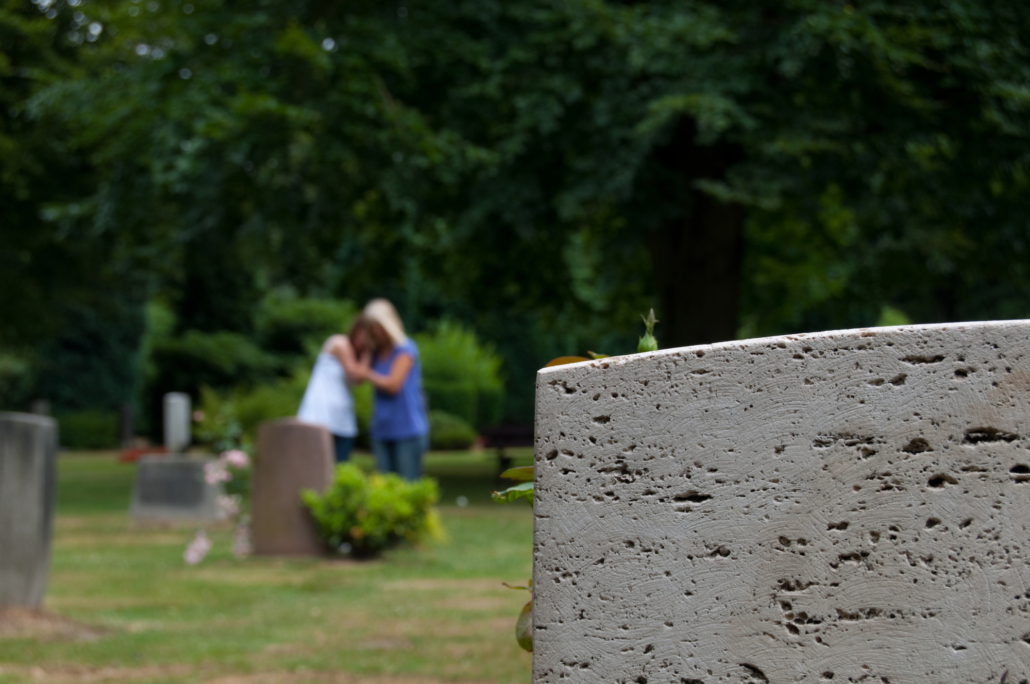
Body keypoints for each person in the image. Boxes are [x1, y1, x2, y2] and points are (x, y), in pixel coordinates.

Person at [360, 298, 429, 481]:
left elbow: (393, 385)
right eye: (371, 326)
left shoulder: (405, 349)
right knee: (384, 487)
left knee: (407, 486)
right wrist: (367, 349)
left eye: (379, 325)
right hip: (381, 428)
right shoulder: (375, 352)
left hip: (407, 429)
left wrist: (369, 374)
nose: (376, 331)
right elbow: (358, 375)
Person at [297, 317, 372, 464]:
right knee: (313, 468)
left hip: (343, 421)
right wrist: (370, 352)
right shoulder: (339, 342)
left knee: (339, 470)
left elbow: (359, 379)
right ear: (356, 330)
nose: (365, 340)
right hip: (318, 416)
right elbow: (355, 373)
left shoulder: (359, 357)